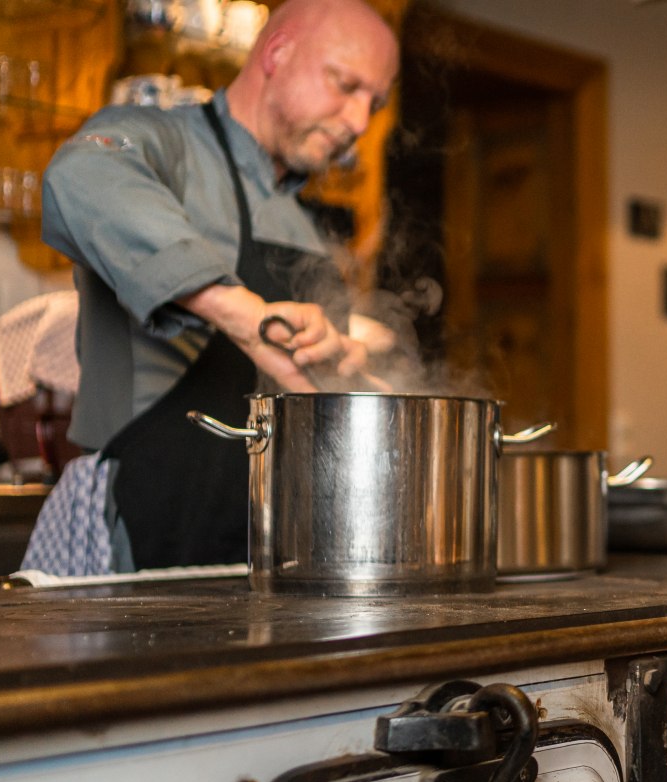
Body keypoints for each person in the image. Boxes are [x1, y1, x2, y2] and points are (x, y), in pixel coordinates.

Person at [21, 0, 398, 575]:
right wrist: (240, 310)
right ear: (277, 53)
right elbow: (80, 176)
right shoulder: (159, 142)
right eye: (345, 85)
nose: (359, 122)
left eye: (375, 102)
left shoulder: (308, 232)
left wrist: (337, 358)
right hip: (141, 540)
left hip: (266, 553)